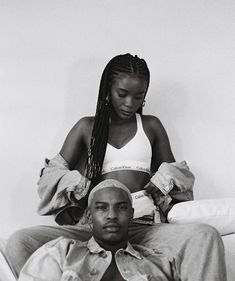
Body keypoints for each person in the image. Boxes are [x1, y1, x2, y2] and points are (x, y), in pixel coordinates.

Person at [6, 53, 226, 280]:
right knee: (20, 242)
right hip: (94, 227)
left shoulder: (151, 126)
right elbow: (50, 176)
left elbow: (180, 178)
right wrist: (80, 186)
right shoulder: (86, 127)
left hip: (144, 226)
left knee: (204, 235)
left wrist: (162, 181)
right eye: (122, 94)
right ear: (108, 90)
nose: (130, 103)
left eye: (139, 97)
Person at [19, 179, 179, 281]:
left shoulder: (160, 264)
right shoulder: (61, 252)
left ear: (131, 215)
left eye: (121, 208)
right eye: (102, 208)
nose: (112, 215)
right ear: (89, 215)